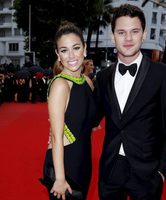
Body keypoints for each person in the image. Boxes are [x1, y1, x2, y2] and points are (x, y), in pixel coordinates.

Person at [94, 4, 166, 200]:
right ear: (113, 35)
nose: (128, 38)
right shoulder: (103, 77)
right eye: (121, 32)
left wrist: (162, 172)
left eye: (135, 31)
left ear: (144, 34)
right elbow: (91, 118)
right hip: (111, 170)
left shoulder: (162, 74)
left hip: (147, 174)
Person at [40, 21, 96, 200]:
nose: (71, 55)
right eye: (64, 50)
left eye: (76, 47)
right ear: (58, 54)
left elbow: (87, 120)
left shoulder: (87, 82)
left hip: (84, 160)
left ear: (84, 49)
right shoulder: (60, 84)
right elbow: (56, 136)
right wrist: (60, 178)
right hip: (64, 165)